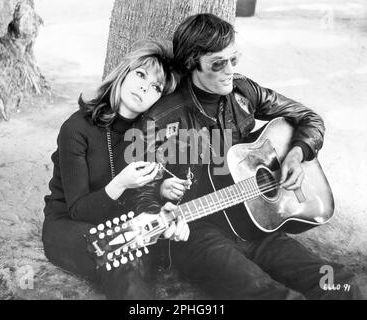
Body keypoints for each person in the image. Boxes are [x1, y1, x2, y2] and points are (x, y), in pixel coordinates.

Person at [131, 14, 362, 299]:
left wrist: (296, 154)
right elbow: (139, 187)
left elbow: (308, 118)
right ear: (192, 63)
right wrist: (159, 211)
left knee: (340, 283)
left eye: (234, 59)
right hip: (201, 233)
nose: (229, 70)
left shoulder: (243, 90)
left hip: (256, 222)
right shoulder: (162, 117)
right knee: (276, 296)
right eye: (218, 64)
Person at [42, 40, 190, 300]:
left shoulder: (150, 136)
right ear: (124, 73)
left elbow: (146, 197)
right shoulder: (76, 128)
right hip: (68, 225)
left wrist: (160, 207)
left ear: (158, 100)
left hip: (124, 225)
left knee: (139, 254)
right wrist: (120, 183)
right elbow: (77, 210)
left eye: (155, 87)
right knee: (122, 258)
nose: (145, 86)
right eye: (141, 74)